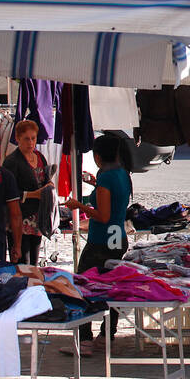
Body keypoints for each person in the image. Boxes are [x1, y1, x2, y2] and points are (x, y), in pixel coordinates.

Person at [63, 133, 133, 354]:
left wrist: (78, 205)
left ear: (97, 156)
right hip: (117, 237)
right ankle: (107, 334)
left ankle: (85, 339)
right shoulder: (122, 174)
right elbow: (113, 203)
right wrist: (94, 184)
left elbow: (102, 215)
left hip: (101, 240)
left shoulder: (106, 178)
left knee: (84, 286)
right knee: (112, 287)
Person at [2, 120, 55, 265]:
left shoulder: (40, 157)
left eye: (33, 138)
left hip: (37, 219)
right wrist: (33, 194)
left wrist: (49, 186)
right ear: (18, 138)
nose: (30, 142)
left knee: (34, 262)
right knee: (22, 262)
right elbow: (7, 193)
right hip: (20, 219)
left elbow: (45, 179)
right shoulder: (12, 162)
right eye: (26, 138)